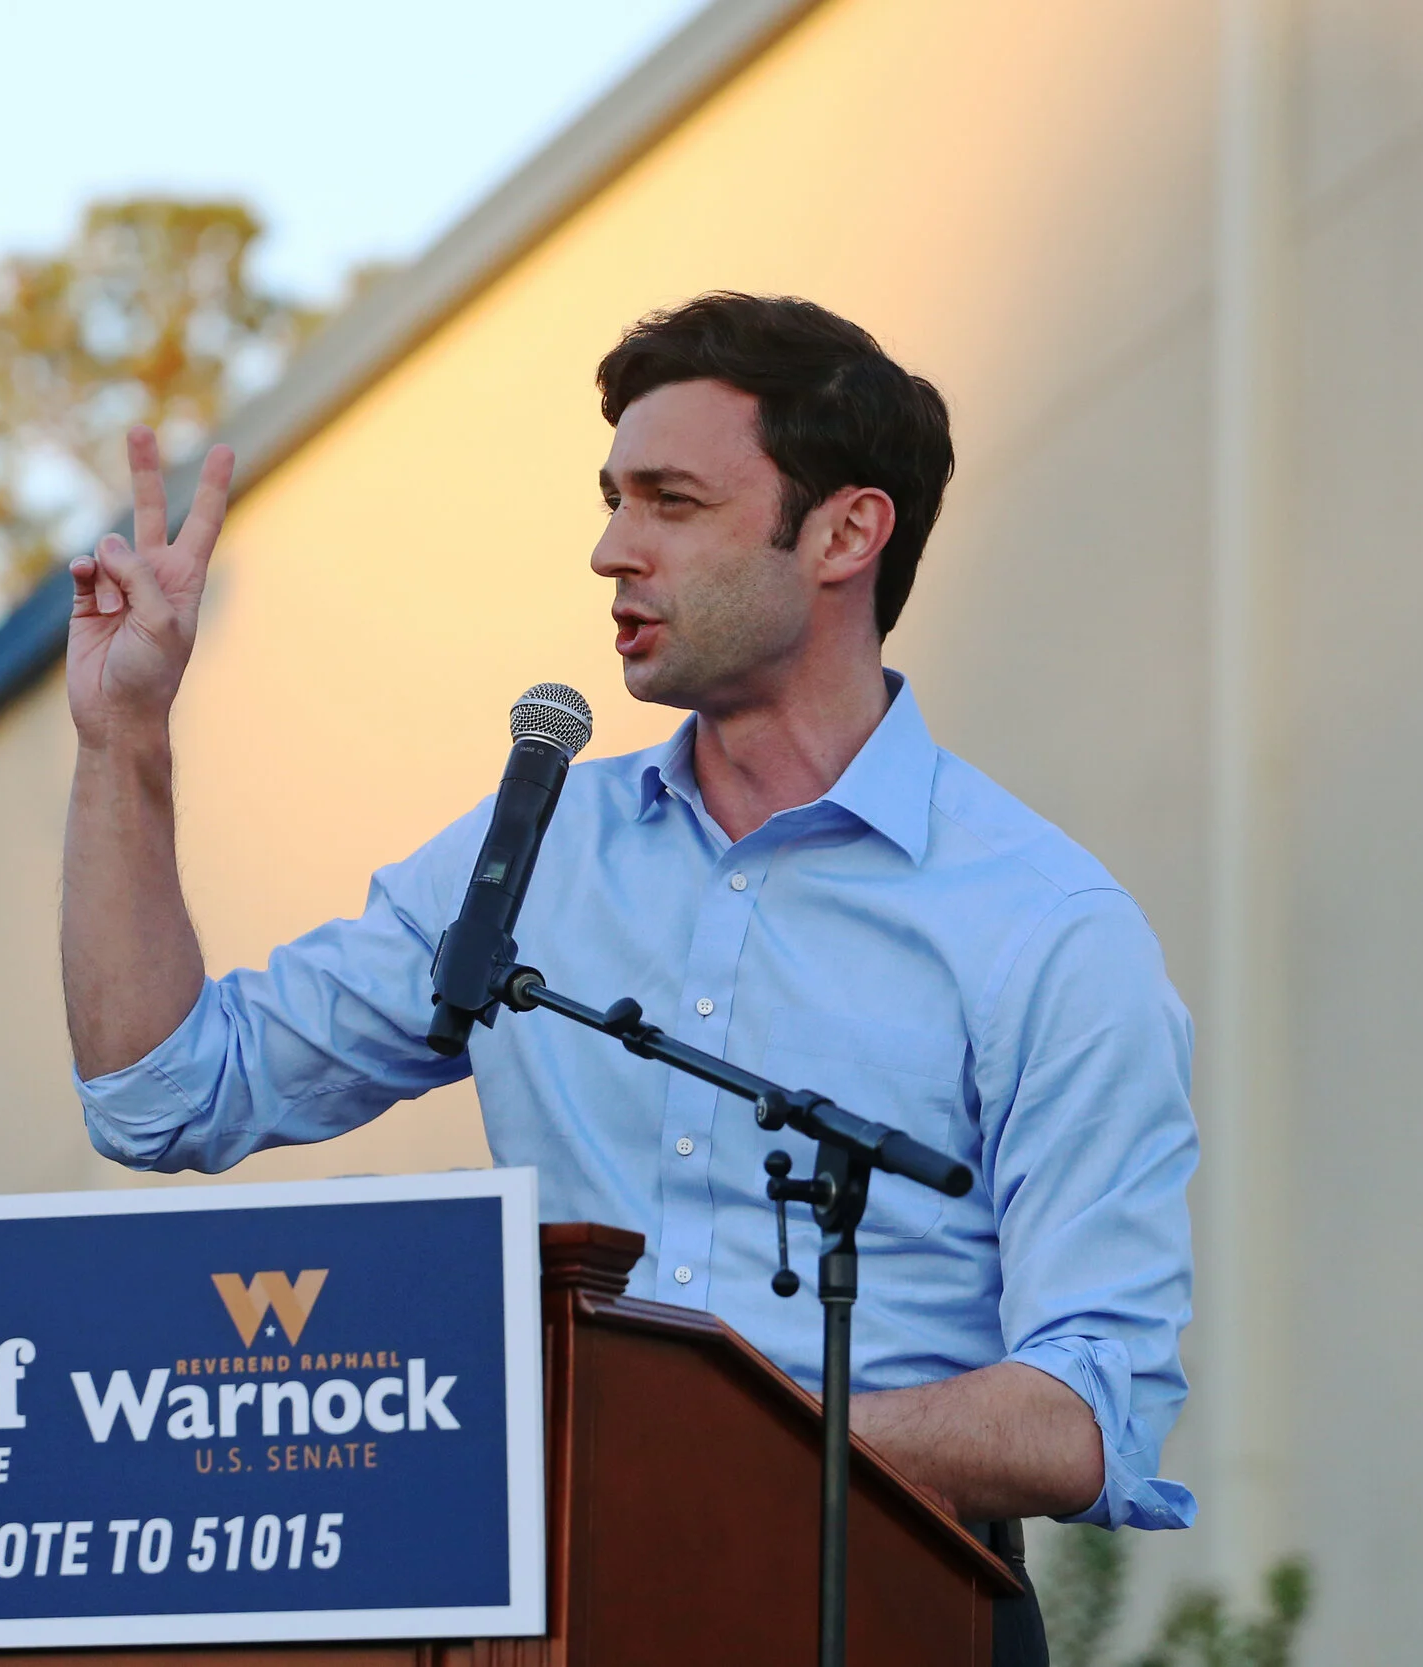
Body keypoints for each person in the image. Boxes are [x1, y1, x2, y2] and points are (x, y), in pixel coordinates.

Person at [59, 292, 1195, 1660]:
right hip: (559, 1604)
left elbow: (1085, 1409)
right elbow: (164, 1090)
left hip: (893, 1599)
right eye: (611, 500)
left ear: (846, 532)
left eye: (669, 501)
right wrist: (125, 739)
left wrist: (723, 1439)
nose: (610, 551)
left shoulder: (1046, 924)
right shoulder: (530, 850)